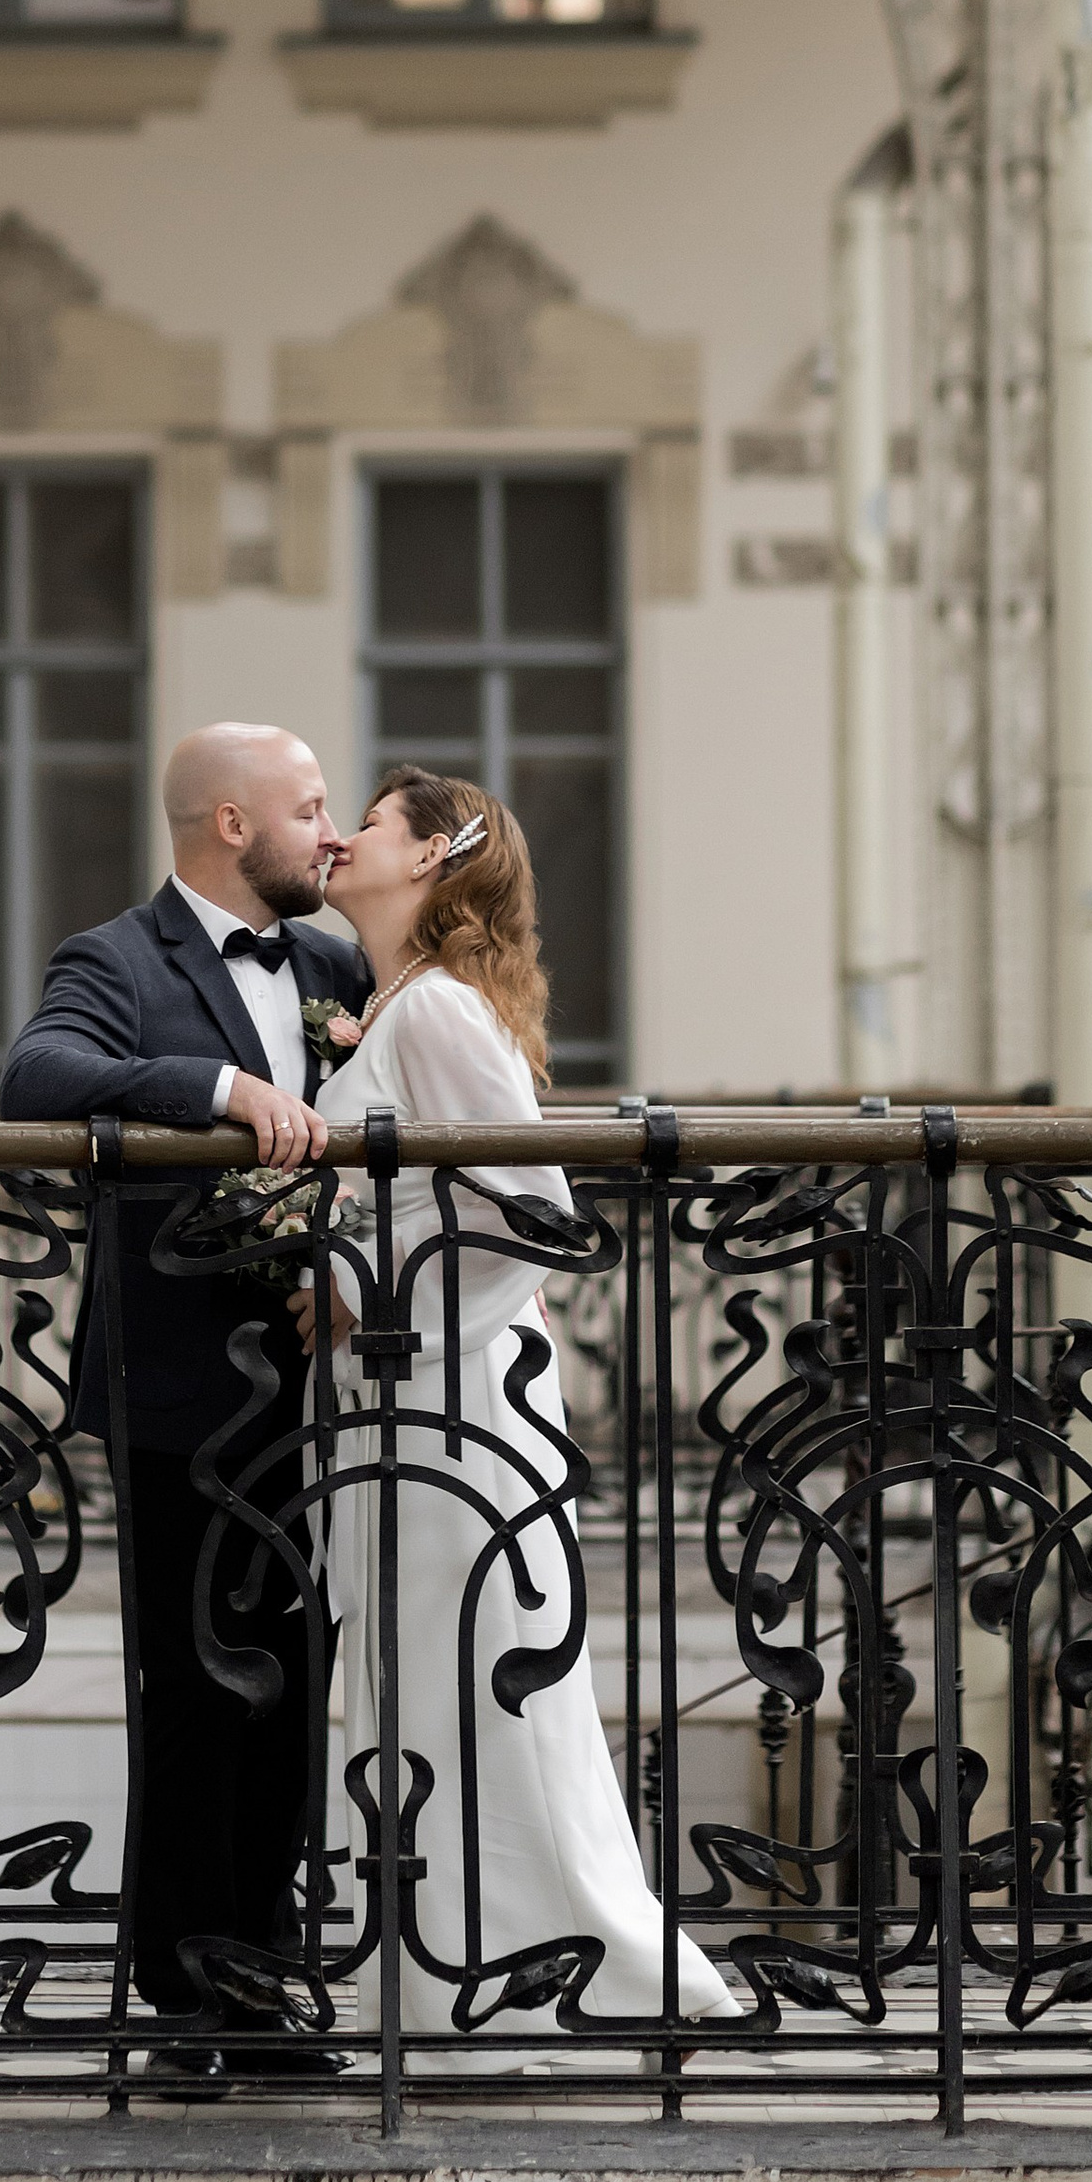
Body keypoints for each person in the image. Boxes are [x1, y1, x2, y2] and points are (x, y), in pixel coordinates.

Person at [295, 764, 739, 2055]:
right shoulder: (397, 1007)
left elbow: (537, 1214)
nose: (341, 839)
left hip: (453, 1395)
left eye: (369, 824)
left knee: (478, 1678)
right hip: (403, 1397)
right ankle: (442, 1980)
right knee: (416, 1681)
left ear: (433, 856)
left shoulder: (436, 1010)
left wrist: (356, 1295)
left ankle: (566, 1968)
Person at [0, 720, 372, 2084]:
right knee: (196, 1690)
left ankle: (265, 1977)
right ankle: (186, 1997)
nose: (331, 831)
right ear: (231, 824)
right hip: (180, 1395)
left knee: (297, 1685)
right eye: (310, 807)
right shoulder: (114, 959)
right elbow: (34, 1079)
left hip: (328, 1386)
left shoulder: (336, 966)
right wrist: (217, 1088)